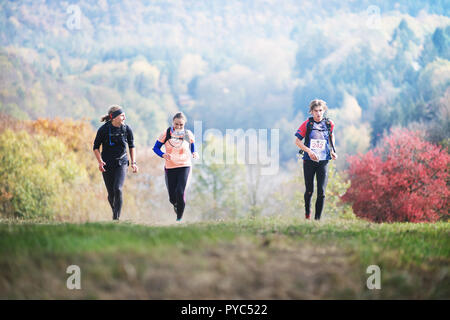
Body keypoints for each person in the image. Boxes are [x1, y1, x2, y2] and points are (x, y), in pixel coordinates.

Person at [294, 99, 337, 220]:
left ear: (324, 111)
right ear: (311, 112)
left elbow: (331, 135)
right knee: (309, 190)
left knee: (322, 192)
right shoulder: (308, 124)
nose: (318, 113)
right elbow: (297, 141)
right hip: (308, 161)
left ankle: (317, 220)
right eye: (316, 111)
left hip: (323, 161)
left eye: (321, 111)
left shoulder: (329, 124)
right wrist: (309, 151)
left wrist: (333, 150)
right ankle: (307, 214)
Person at [93, 105, 138, 220]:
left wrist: (133, 162)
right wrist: (100, 161)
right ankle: (115, 211)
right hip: (107, 165)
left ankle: (116, 218)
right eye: (122, 115)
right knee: (111, 194)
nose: (124, 117)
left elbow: (132, 146)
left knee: (118, 189)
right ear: (114, 117)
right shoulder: (103, 130)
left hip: (121, 163)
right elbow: (95, 147)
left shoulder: (126, 129)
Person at [153, 112, 199, 221]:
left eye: (181, 125)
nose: (178, 127)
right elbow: (155, 148)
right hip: (170, 168)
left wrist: (194, 152)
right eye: (176, 124)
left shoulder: (188, 134)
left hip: (184, 166)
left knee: (180, 191)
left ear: (184, 125)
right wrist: (163, 154)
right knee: (172, 197)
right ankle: (175, 204)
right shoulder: (166, 134)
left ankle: (179, 220)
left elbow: (193, 146)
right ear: (173, 123)